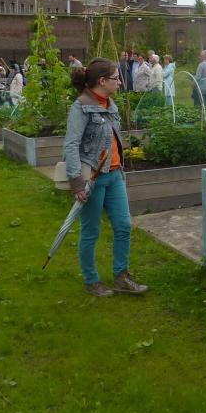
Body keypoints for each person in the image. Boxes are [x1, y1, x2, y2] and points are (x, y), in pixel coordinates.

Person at [63, 58, 147, 297]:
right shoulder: (80, 107)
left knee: (124, 225)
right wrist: (77, 182)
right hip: (93, 179)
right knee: (91, 232)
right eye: (115, 78)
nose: (119, 82)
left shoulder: (110, 104)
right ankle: (91, 280)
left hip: (115, 175)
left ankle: (121, 276)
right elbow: (71, 145)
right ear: (102, 81)